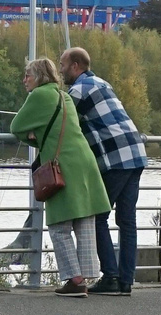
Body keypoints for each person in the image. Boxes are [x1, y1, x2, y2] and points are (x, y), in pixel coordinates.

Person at [10, 55, 110, 296]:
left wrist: (29, 136)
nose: (24, 80)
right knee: (84, 221)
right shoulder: (64, 95)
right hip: (84, 162)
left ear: (40, 77)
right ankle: (85, 276)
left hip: (62, 165)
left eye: (28, 75)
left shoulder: (40, 95)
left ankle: (74, 281)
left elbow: (15, 127)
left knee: (59, 226)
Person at [62, 47, 146, 296]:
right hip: (136, 153)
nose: (61, 69)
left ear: (76, 65)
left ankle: (110, 276)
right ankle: (125, 282)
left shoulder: (77, 91)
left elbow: (61, 122)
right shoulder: (102, 83)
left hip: (115, 159)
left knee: (98, 216)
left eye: (63, 64)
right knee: (127, 222)